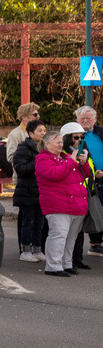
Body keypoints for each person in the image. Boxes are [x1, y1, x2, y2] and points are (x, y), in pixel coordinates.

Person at [36, 126, 91, 277]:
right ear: (46, 143)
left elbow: (86, 174)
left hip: (76, 205)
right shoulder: (43, 158)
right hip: (58, 205)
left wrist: (84, 162)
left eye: (61, 141)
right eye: (56, 142)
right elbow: (54, 174)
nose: (60, 144)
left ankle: (66, 263)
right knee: (58, 236)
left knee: (70, 237)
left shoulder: (66, 158)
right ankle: (53, 266)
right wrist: (72, 161)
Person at [12, 119, 47, 263]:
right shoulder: (23, 147)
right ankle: (25, 251)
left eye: (44, 131)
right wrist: (38, 159)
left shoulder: (45, 147)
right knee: (28, 222)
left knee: (40, 222)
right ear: (31, 133)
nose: (43, 133)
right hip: (26, 192)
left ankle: (37, 249)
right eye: (40, 131)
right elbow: (20, 168)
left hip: (41, 191)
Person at [73, 106, 103, 258]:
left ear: (95, 120)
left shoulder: (100, 132)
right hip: (87, 180)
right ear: (77, 120)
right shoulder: (74, 136)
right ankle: (94, 244)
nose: (85, 121)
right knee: (93, 211)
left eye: (88, 118)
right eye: (82, 119)